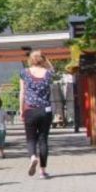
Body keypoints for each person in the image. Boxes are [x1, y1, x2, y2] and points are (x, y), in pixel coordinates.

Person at [20, 50, 55, 178]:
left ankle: (33, 157)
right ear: (42, 59)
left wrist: (21, 109)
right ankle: (43, 171)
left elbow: (22, 93)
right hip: (45, 110)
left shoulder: (24, 73)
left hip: (30, 109)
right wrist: (46, 59)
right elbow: (52, 68)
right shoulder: (48, 73)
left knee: (30, 138)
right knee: (43, 139)